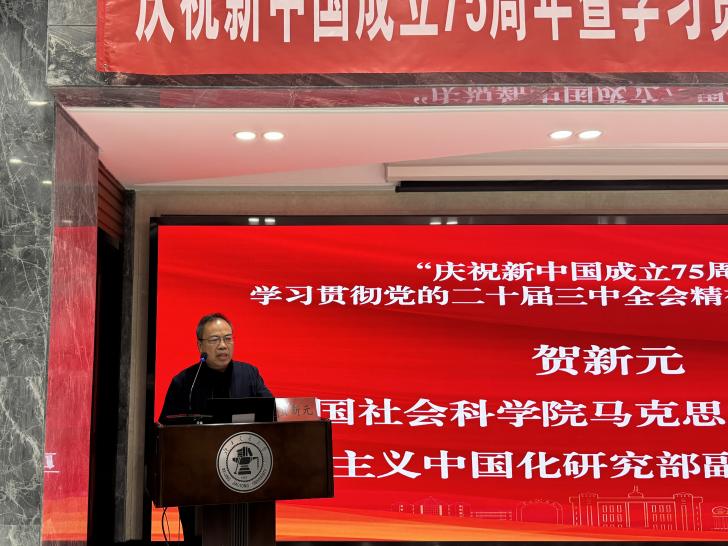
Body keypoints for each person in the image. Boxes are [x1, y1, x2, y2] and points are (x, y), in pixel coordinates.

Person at [158, 312, 272, 544]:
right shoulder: (185, 382)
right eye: (215, 340)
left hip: (247, 480)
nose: (223, 345)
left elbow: (271, 413)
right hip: (197, 482)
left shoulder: (249, 374)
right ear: (200, 345)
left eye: (228, 338)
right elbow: (166, 430)